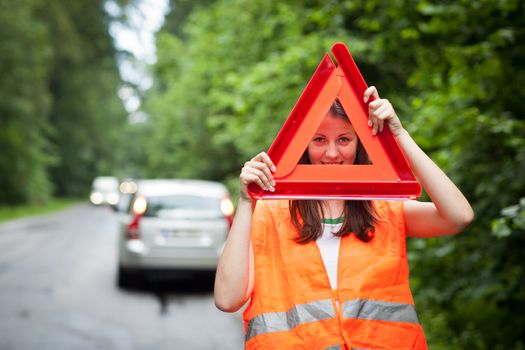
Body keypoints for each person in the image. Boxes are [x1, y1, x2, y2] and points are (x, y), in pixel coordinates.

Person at [214, 86, 474, 350]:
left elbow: (459, 216)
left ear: (360, 142)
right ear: (302, 144)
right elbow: (227, 299)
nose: (332, 154)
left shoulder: (383, 210)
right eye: (318, 140)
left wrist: (399, 134)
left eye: (344, 140)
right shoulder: (269, 212)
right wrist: (247, 201)